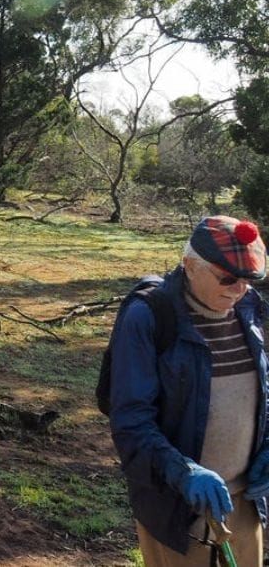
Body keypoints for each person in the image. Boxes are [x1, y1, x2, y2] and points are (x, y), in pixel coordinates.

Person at [108, 215, 269, 566]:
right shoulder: (149, 316)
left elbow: (260, 388)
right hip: (177, 505)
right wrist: (183, 472)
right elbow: (130, 421)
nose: (238, 288)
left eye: (248, 278)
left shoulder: (248, 307)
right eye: (226, 277)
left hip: (245, 501)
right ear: (189, 265)